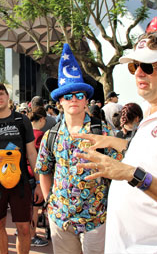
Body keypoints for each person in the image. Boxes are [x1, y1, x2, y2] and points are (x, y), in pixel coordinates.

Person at [74, 13, 157, 253]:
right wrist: (115, 142)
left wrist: (131, 174)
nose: (138, 73)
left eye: (148, 66)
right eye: (134, 65)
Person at [35, 44, 121, 254]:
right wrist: (50, 202)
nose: (74, 99)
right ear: (59, 102)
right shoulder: (52, 135)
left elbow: (119, 171)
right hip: (61, 218)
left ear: (86, 100)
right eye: (68, 96)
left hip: (96, 218)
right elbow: (44, 170)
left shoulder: (103, 132)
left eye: (79, 95)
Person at [0, 82, 43, 254]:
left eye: (1, 94)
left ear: (7, 96)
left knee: (24, 227)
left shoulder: (21, 120)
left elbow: (32, 153)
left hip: (20, 182)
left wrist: (39, 182)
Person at [27, 107, 49, 247]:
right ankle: (32, 235)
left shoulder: (26, 133)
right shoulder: (41, 135)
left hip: (25, 172)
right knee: (35, 207)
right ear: (41, 119)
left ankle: (26, 231)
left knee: (28, 207)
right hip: (36, 173)